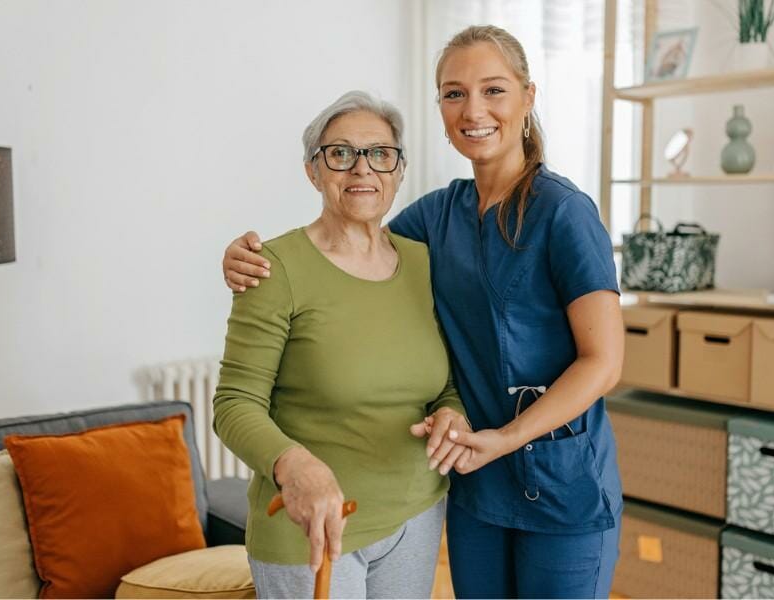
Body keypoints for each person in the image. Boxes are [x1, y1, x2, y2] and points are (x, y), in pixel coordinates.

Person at [222, 25, 624, 599]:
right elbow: (352, 246)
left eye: (493, 90)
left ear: (528, 98)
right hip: (475, 488)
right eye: (454, 93)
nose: (473, 109)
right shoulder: (434, 219)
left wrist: (506, 438)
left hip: (559, 483)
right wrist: (245, 260)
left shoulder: (565, 214)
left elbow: (604, 363)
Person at [212, 90, 471, 599]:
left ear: (398, 171)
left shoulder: (424, 263)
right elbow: (234, 403)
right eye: (340, 153)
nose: (362, 169)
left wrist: (453, 414)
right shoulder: (273, 267)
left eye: (379, 153)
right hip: (309, 526)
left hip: (415, 512)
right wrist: (293, 465)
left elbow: (444, 384)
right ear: (313, 170)